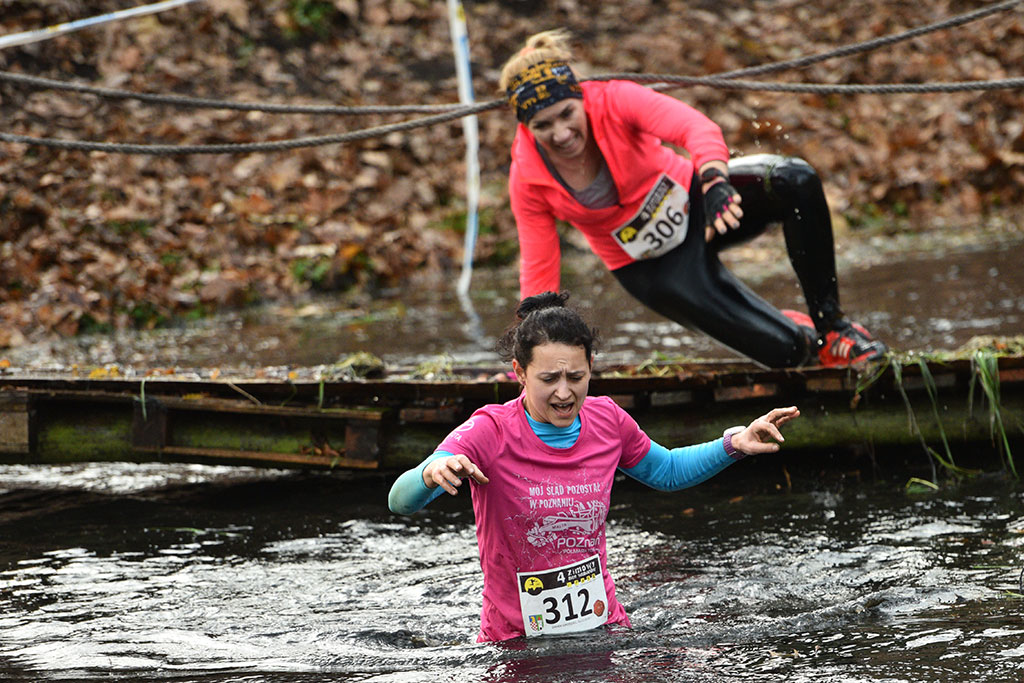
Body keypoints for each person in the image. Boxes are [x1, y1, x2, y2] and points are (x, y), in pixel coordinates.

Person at [388, 292, 800, 643]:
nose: (565, 392)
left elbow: (668, 471)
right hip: (516, 643)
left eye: (577, 377)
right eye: (549, 378)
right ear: (519, 373)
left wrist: (735, 445)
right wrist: (429, 474)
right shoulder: (489, 430)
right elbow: (398, 501)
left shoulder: (608, 420)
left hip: (602, 631)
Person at [497, 29, 888, 369]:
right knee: (788, 353)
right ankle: (798, 331)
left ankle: (834, 328)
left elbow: (693, 126)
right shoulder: (527, 176)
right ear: (527, 128)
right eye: (543, 126)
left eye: (567, 114)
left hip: (698, 199)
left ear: (580, 98)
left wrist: (715, 179)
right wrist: (530, 345)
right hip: (652, 266)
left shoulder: (614, 100)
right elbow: (539, 263)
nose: (561, 134)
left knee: (793, 180)